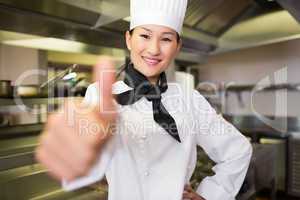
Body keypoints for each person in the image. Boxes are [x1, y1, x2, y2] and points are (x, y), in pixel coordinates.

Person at [35, 0, 253, 199]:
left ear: (177, 46)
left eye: (166, 39)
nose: (154, 49)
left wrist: (210, 195)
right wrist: (77, 147)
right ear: (129, 39)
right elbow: (85, 160)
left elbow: (239, 150)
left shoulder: (190, 100)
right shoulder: (100, 95)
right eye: (145, 36)